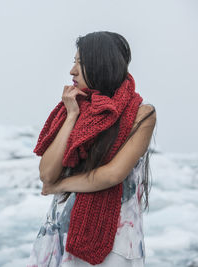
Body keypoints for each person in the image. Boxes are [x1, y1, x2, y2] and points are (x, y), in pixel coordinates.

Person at [26, 31, 157, 267]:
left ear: (101, 64)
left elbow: (113, 174)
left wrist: (60, 186)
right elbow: (46, 174)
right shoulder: (74, 107)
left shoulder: (141, 114)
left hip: (114, 242)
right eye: (73, 62)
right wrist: (71, 116)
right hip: (60, 234)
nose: (72, 71)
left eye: (81, 63)